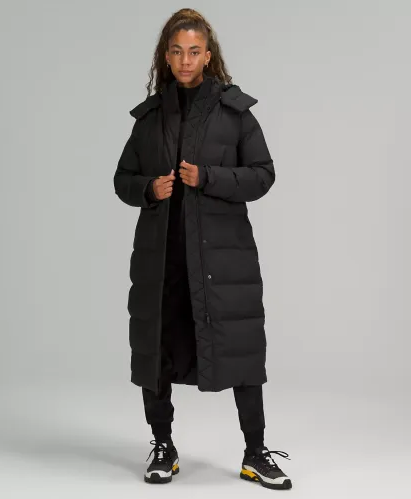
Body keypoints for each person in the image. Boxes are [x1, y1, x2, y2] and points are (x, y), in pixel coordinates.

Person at [113, 8, 292, 490]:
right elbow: (122, 178)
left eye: (194, 51)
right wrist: (149, 188)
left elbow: (263, 174)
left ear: (208, 56)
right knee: (156, 351)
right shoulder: (151, 118)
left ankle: (256, 453)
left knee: (241, 349)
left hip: (222, 259)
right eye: (177, 52)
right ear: (166, 56)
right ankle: (162, 445)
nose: (186, 60)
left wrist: (209, 177)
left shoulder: (234, 113)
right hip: (163, 259)